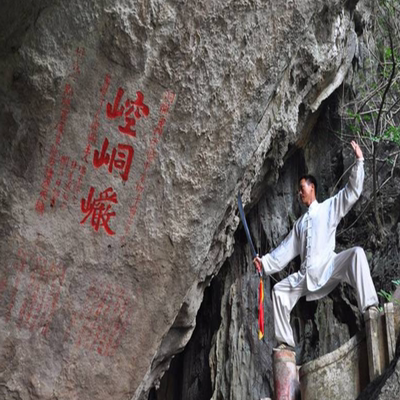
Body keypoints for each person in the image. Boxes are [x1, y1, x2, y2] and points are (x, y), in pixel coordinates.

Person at [253, 141, 379, 351]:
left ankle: (370, 308)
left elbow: (350, 193)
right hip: (305, 276)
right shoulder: (300, 224)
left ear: (312, 188)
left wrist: (359, 162)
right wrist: (264, 263)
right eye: (299, 190)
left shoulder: (329, 207)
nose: (299, 193)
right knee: (279, 291)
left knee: (356, 254)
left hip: (329, 267)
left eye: (302, 188)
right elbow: (284, 251)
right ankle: (286, 343)